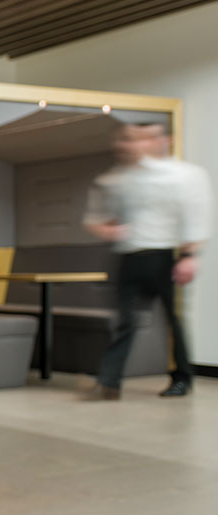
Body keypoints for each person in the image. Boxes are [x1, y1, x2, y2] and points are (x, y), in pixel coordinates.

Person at [83, 122, 212, 399]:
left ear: (163, 140)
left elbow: (194, 217)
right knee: (125, 322)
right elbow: (97, 218)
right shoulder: (117, 179)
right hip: (128, 257)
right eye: (132, 139)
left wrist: (189, 255)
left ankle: (182, 378)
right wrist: (106, 229)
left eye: (147, 138)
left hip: (164, 256)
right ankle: (109, 382)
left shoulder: (184, 175)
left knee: (173, 322)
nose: (136, 144)